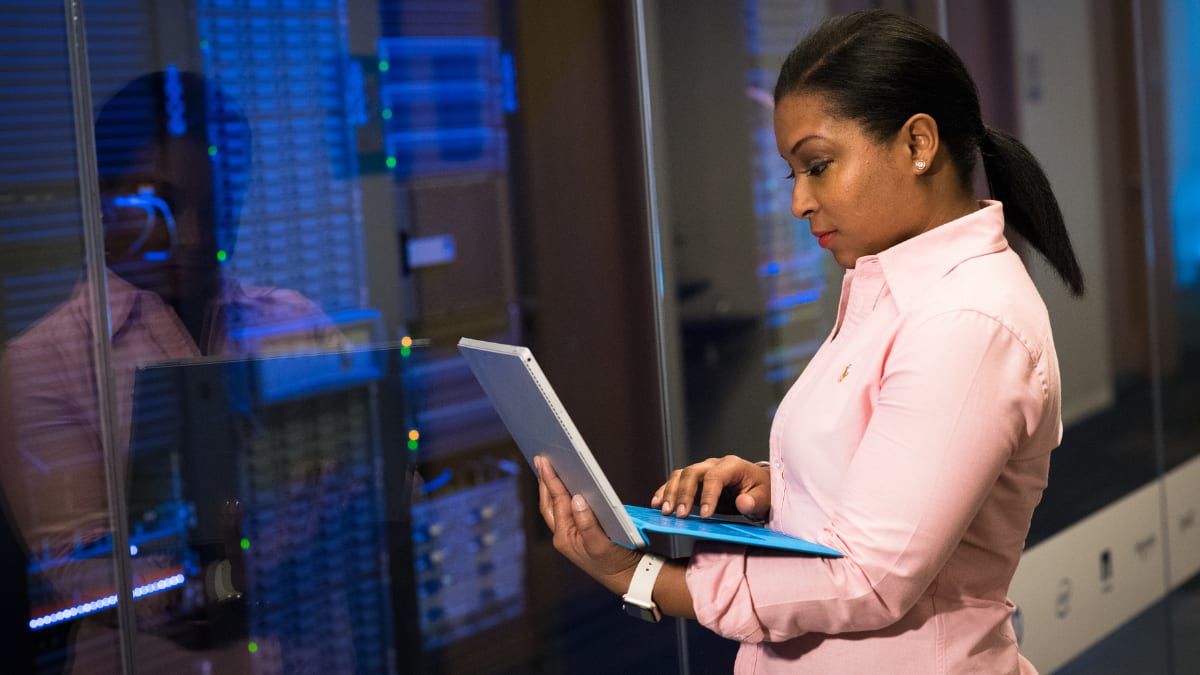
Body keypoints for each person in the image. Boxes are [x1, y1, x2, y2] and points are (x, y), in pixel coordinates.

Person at [535, 9, 1083, 674]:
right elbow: (899, 480)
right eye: (794, 172)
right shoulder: (894, 290)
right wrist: (782, 485)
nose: (799, 200)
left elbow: (868, 578)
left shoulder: (966, 320)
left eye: (818, 165)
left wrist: (640, 577)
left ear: (917, 144)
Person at [0, 70, 344, 674]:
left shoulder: (296, 323)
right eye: (165, 205)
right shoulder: (38, 365)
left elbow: (359, 497)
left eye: (218, 206)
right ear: (102, 204)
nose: (193, 237)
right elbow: (100, 574)